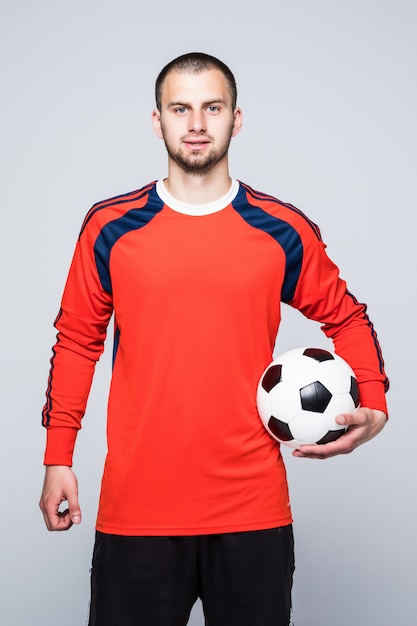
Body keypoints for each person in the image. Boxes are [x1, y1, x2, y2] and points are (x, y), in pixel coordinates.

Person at [39, 52, 389, 626]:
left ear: (236, 119)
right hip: (137, 512)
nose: (196, 123)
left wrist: (373, 401)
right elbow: (77, 340)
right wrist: (58, 458)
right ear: (158, 121)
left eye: (212, 108)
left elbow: (347, 316)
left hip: (253, 512)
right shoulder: (111, 227)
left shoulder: (279, 228)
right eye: (181, 108)